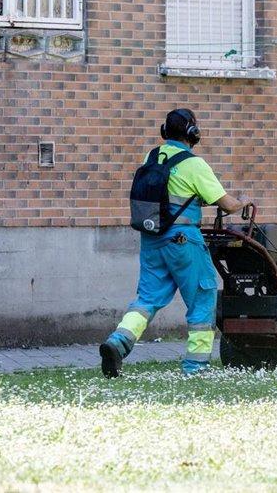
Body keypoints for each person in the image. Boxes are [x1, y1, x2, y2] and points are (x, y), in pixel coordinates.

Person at [100, 108, 249, 377]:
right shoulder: (194, 164)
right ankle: (196, 367)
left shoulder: (152, 156)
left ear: (164, 131)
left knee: (147, 298)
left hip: (151, 239)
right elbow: (226, 204)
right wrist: (242, 202)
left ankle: (118, 342)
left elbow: (172, 195)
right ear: (193, 133)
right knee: (203, 296)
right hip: (183, 240)